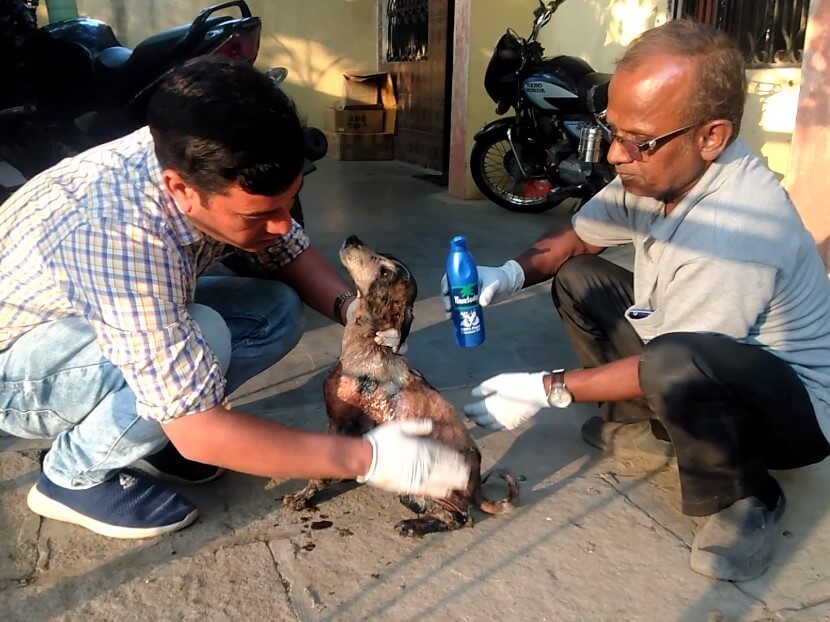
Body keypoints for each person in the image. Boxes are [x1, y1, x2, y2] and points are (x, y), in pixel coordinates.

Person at [0, 58, 469, 539]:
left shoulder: (197, 151)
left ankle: (144, 433)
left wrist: (354, 314)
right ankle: (70, 476)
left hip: (83, 320)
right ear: (179, 190)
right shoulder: (117, 238)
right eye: (261, 213)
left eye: (291, 201)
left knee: (275, 312)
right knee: (206, 335)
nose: (284, 223)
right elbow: (197, 428)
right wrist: (371, 458)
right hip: (15, 369)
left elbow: (289, 250)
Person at [444, 19, 830, 582]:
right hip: (694, 351)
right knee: (579, 277)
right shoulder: (657, 170)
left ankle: (746, 496)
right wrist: (507, 273)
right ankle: (640, 424)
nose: (618, 155)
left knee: (678, 363)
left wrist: (545, 388)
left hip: (791, 411)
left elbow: (675, 361)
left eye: (637, 140)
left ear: (711, 137)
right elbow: (579, 236)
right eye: (612, 130)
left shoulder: (740, 227)